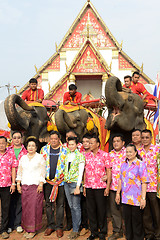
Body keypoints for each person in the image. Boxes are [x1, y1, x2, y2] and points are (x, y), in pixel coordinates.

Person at [115, 143, 149, 240]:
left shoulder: (140, 164)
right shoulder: (123, 165)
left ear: (135, 153)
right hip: (125, 198)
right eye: (127, 152)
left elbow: (144, 182)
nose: (128, 154)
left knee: (137, 222)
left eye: (130, 152)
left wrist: (143, 198)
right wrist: (118, 193)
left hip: (136, 199)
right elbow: (120, 180)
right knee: (127, 222)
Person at [16, 138, 46, 239]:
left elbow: (43, 171)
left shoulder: (40, 157)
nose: (31, 147)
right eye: (29, 146)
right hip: (25, 186)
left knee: (34, 208)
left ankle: (33, 230)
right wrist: (18, 184)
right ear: (26, 147)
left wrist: (41, 184)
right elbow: (19, 171)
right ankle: (27, 228)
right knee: (26, 208)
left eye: (33, 146)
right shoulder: (23, 158)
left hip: (36, 186)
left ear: (36, 147)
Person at [84, 134, 111, 240]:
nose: (89, 145)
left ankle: (102, 232)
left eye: (91, 143)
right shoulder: (86, 156)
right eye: (88, 143)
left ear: (98, 144)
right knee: (91, 210)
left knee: (101, 210)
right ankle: (93, 232)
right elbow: (85, 172)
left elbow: (108, 170)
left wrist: (107, 187)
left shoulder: (105, 155)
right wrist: (85, 187)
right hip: (89, 186)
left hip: (100, 187)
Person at [40, 131, 67, 238]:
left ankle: (59, 227)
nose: (53, 141)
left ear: (59, 139)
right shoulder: (44, 149)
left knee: (60, 205)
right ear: (49, 139)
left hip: (60, 183)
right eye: (51, 139)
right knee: (48, 204)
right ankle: (50, 225)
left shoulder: (65, 150)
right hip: (48, 182)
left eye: (55, 139)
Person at [139, 129, 160, 240]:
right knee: (145, 212)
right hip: (142, 187)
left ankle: (158, 234)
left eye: (147, 137)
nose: (145, 139)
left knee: (156, 212)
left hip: (154, 186)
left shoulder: (157, 150)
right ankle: (149, 234)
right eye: (143, 137)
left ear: (151, 138)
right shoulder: (138, 152)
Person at [64, 137, 85, 240]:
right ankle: (75, 226)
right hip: (66, 183)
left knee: (76, 206)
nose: (71, 146)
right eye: (69, 144)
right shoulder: (67, 155)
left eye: (73, 144)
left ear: (77, 145)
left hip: (74, 184)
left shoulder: (80, 156)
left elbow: (81, 173)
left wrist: (78, 186)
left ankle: (76, 230)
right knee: (71, 206)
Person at [8, 131, 27, 234]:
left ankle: (18, 223)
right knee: (10, 203)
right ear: (11, 139)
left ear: (21, 139)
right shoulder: (7, 150)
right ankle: (10, 224)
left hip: (22, 180)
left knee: (20, 203)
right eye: (14, 137)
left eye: (18, 137)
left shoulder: (26, 151)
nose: (16, 139)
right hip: (8, 181)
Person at [108, 134, 126, 240]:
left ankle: (128, 231)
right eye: (114, 141)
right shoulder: (110, 154)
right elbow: (108, 169)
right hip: (113, 187)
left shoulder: (128, 153)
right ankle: (117, 231)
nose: (116, 143)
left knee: (127, 211)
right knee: (115, 211)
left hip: (126, 188)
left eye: (118, 141)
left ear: (123, 142)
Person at [0, 136, 17, 239]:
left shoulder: (11, 154)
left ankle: (4, 230)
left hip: (7, 185)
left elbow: (13, 169)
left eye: (3, 143)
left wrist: (13, 183)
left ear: (7, 144)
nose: (1, 145)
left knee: (6, 208)